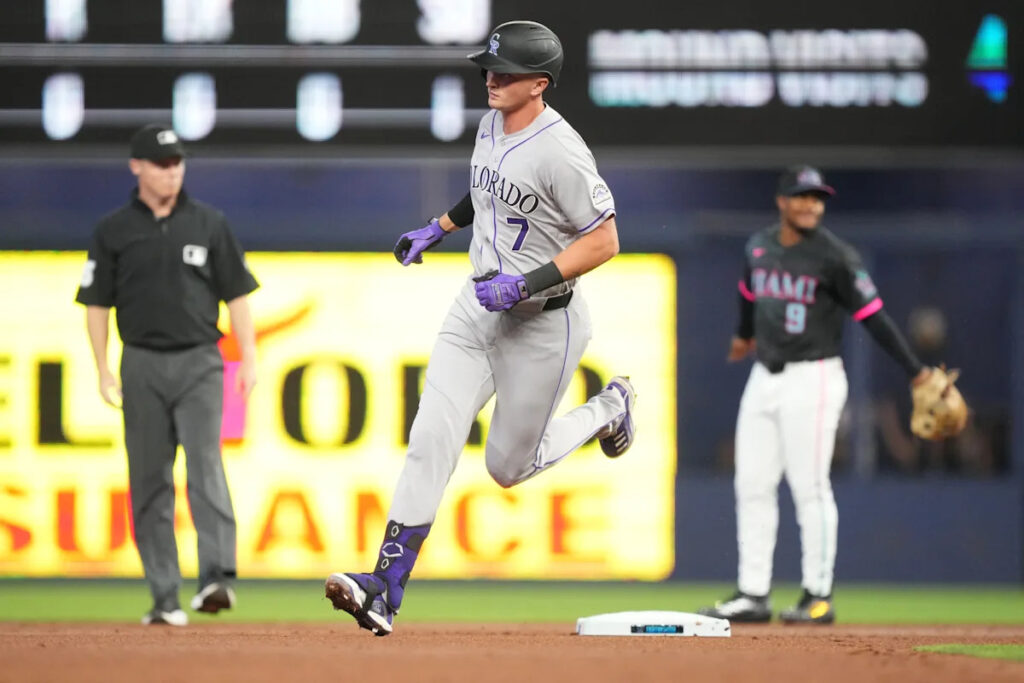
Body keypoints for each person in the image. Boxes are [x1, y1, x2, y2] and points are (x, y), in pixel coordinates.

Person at [324, 20, 637, 636]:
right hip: (476, 310)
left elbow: (604, 239)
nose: (492, 78)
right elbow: (486, 191)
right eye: (490, 67)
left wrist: (526, 283)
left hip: (545, 322)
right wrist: (439, 226)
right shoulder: (492, 121)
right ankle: (384, 588)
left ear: (540, 84)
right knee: (430, 437)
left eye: (508, 72)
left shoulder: (562, 149)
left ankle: (610, 407)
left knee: (506, 468)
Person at [698, 165, 932, 624]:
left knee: (810, 486)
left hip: (815, 375)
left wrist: (916, 371)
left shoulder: (835, 256)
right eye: (802, 196)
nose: (811, 205)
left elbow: (874, 317)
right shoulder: (759, 245)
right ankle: (753, 593)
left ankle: (817, 595)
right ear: (782, 201)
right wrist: (743, 335)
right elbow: (749, 297)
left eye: (817, 198)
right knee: (752, 485)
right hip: (764, 375)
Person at [75, 124, 259, 626]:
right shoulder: (113, 230)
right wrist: (101, 368)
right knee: (150, 480)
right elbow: (95, 303)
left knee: (205, 468)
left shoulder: (208, 222)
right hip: (141, 362)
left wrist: (249, 358)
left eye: (177, 162)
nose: (171, 171)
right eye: (161, 163)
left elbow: (237, 295)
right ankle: (164, 597)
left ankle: (217, 577)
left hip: (200, 359)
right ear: (136, 166)